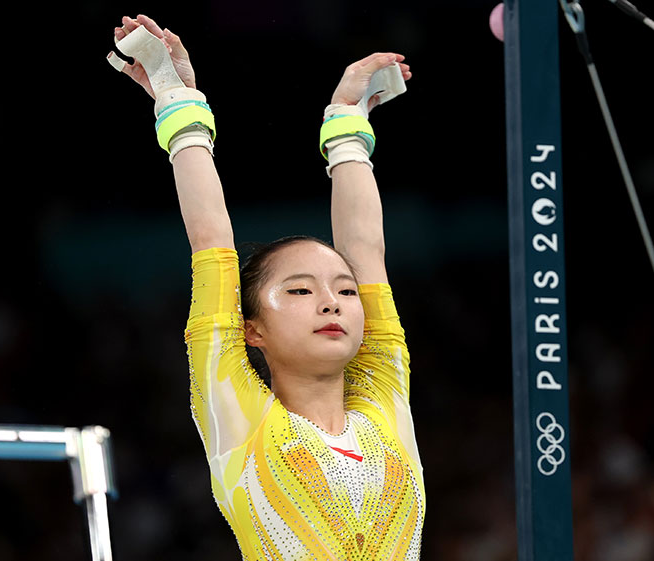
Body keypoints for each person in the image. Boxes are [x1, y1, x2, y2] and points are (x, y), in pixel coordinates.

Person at [110, 14, 425, 560]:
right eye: (300, 291)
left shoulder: (385, 406)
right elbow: (210, 240)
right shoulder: (243, 423)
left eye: (344, 292)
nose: (332, 300)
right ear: (250, 329)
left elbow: (367, 255)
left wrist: (346, 123)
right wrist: (176, 102)